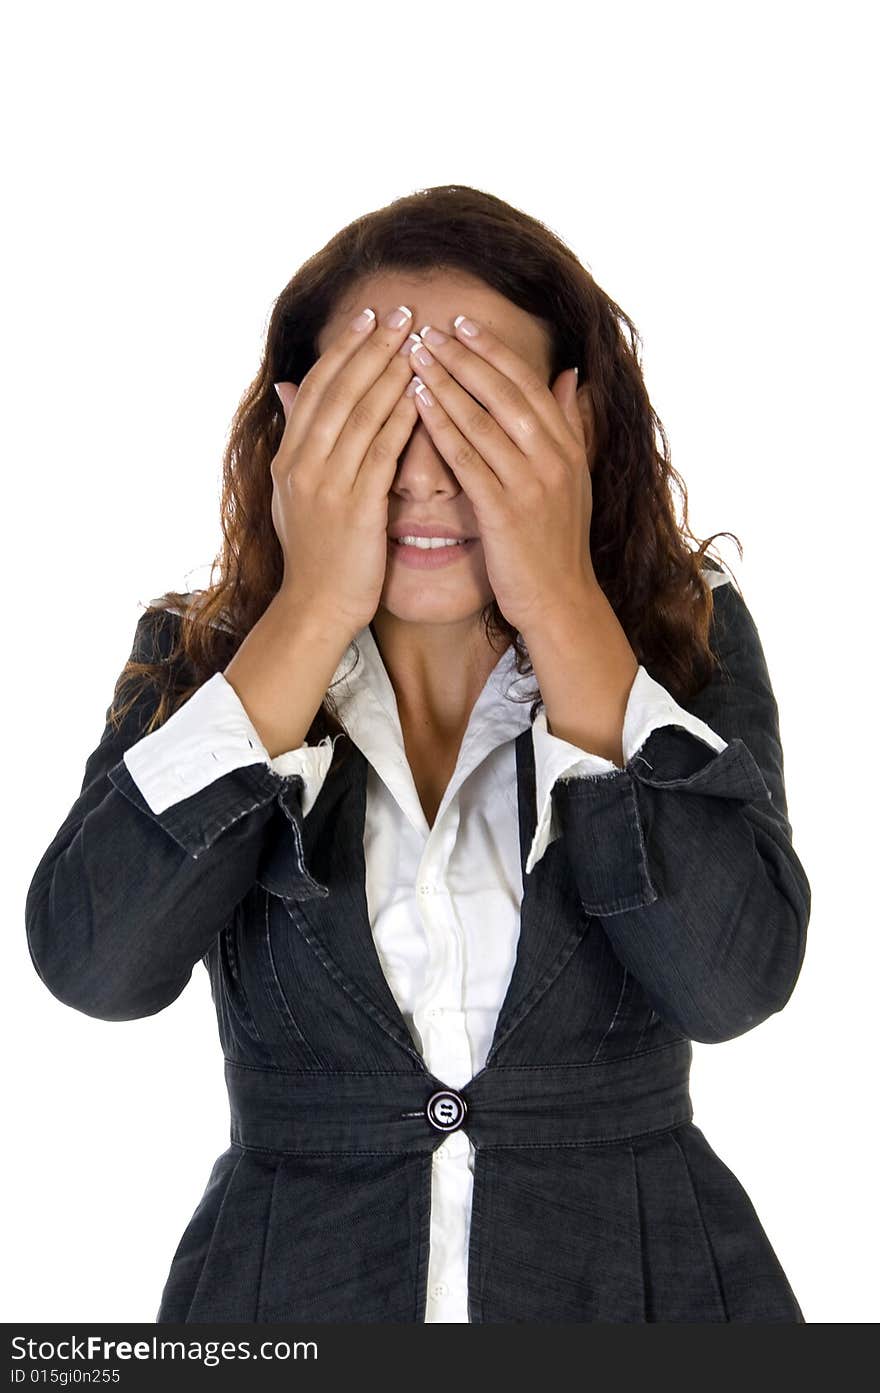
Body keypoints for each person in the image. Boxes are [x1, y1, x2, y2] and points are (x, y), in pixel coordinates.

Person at [25, 184, 810, 1323]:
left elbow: (733, 980)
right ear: (297, 432)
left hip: (645, 1296)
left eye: (478, 416)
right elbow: (93, 965)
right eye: (375, 419)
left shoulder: (681, 641)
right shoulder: (202, 664)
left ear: (574, 426)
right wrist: (310, 610)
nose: (425, 473)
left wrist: (562, 603)